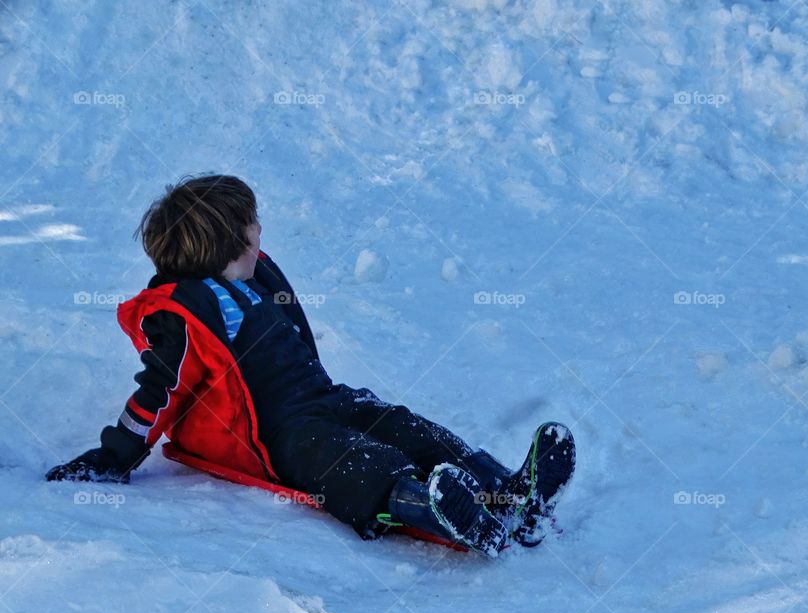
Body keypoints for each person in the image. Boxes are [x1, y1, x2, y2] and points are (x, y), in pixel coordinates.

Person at [45, 175, 576, 557]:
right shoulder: (182, 313)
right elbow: (158, 392)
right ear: (230, 243)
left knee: (400, 424)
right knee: (351, 461)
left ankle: (505, 491)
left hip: (322, 397)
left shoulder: (251, 282)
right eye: (253, 226)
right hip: (280, 432)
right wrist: (114, 457)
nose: (261, 233)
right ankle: (438, 510)